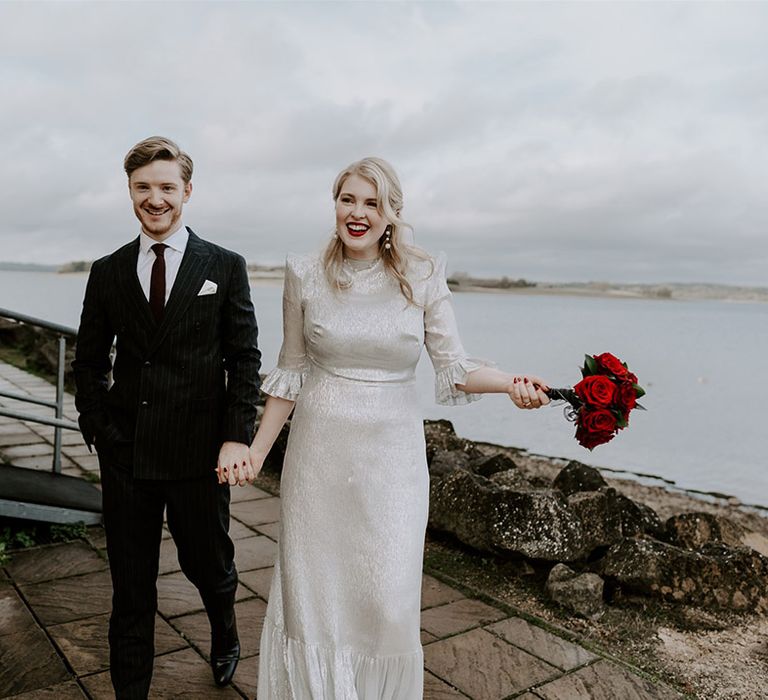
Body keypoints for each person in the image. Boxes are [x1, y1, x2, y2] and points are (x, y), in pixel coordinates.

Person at [220, 156, 549, 698]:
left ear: (392, 212)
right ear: (334, 204)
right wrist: (256, 451)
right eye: (347, 199)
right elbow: (291, 370)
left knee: (387, 600)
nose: (357, 213)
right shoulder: (303, 273)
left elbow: (456, 368)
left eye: (372, 203)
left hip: (392, 463)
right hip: (318, 459)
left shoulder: (422, 275)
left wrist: (513, 382)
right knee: (316, 599)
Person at [72, 136, 261, 698]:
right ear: (130, 190)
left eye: (166, 187)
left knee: (209, 567)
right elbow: (87, 362)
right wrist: (100, 431)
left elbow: (244, 359)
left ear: (187, 191)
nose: (155, 199)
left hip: (198, 455)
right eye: (142, 188)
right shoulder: (106, 272)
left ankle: (224, 629)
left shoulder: (223, 266)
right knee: (131, 590)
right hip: (126, 453)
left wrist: (236, 438)